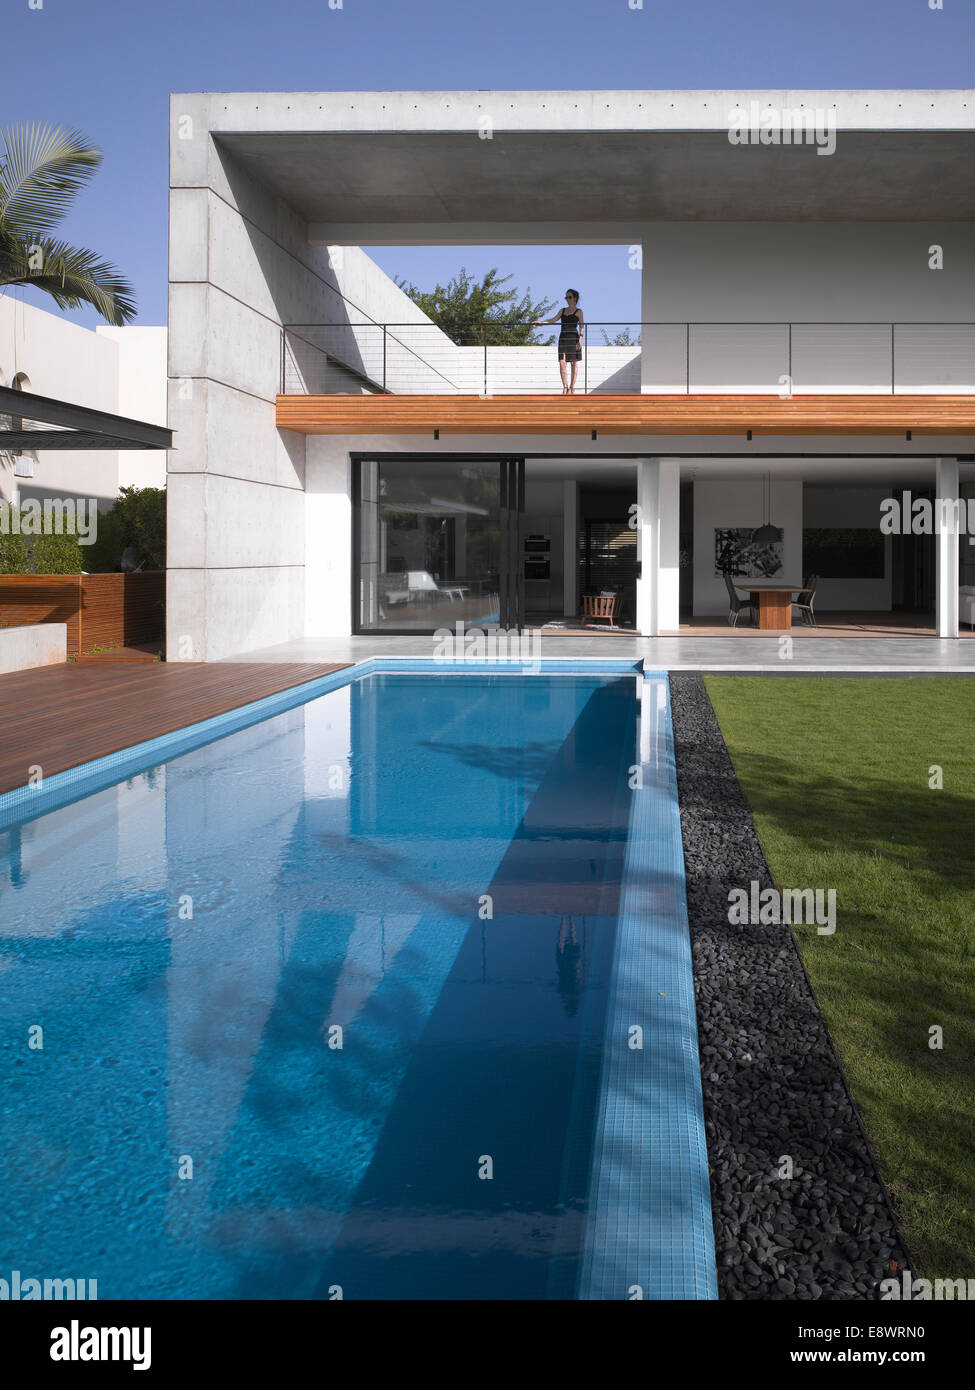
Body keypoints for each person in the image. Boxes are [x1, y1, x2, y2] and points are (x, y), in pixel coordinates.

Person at [535, 289, 585, 394]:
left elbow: (581, 327)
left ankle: (572, 387)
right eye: (566, 297)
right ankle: (565, 387)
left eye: (569, 297)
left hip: (574, 338)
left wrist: (580, 340)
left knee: (574, 363)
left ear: (575, 298)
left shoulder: (579, 312)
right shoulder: (562, 310)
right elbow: (553, 320)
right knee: (562, 363)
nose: (567, 299)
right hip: (563, 338)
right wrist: (541, 323)